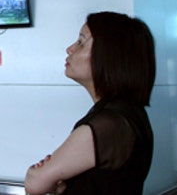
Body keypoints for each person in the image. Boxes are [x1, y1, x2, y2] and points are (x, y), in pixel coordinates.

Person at [24, 12, 156, 195]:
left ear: (109, 55)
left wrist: (37, 173)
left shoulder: (109, 124)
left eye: (81, 42)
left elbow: (35, 183)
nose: (70, 49)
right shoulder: (128, 114)